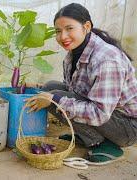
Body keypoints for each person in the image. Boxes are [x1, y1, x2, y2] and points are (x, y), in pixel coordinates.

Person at [25, 3, 137, 162]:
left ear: (86, 26)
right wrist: (39, 88)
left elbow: (100, 114)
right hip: (111, 117)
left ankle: (101, 143)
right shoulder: (75, 52)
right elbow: (74, 90)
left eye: (69, 28)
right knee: (50, 87)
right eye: (58, 31)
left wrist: (54, 100)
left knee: (55, 98)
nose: (63, 36)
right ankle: (86, 135)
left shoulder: (107, 60)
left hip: (127, 127)